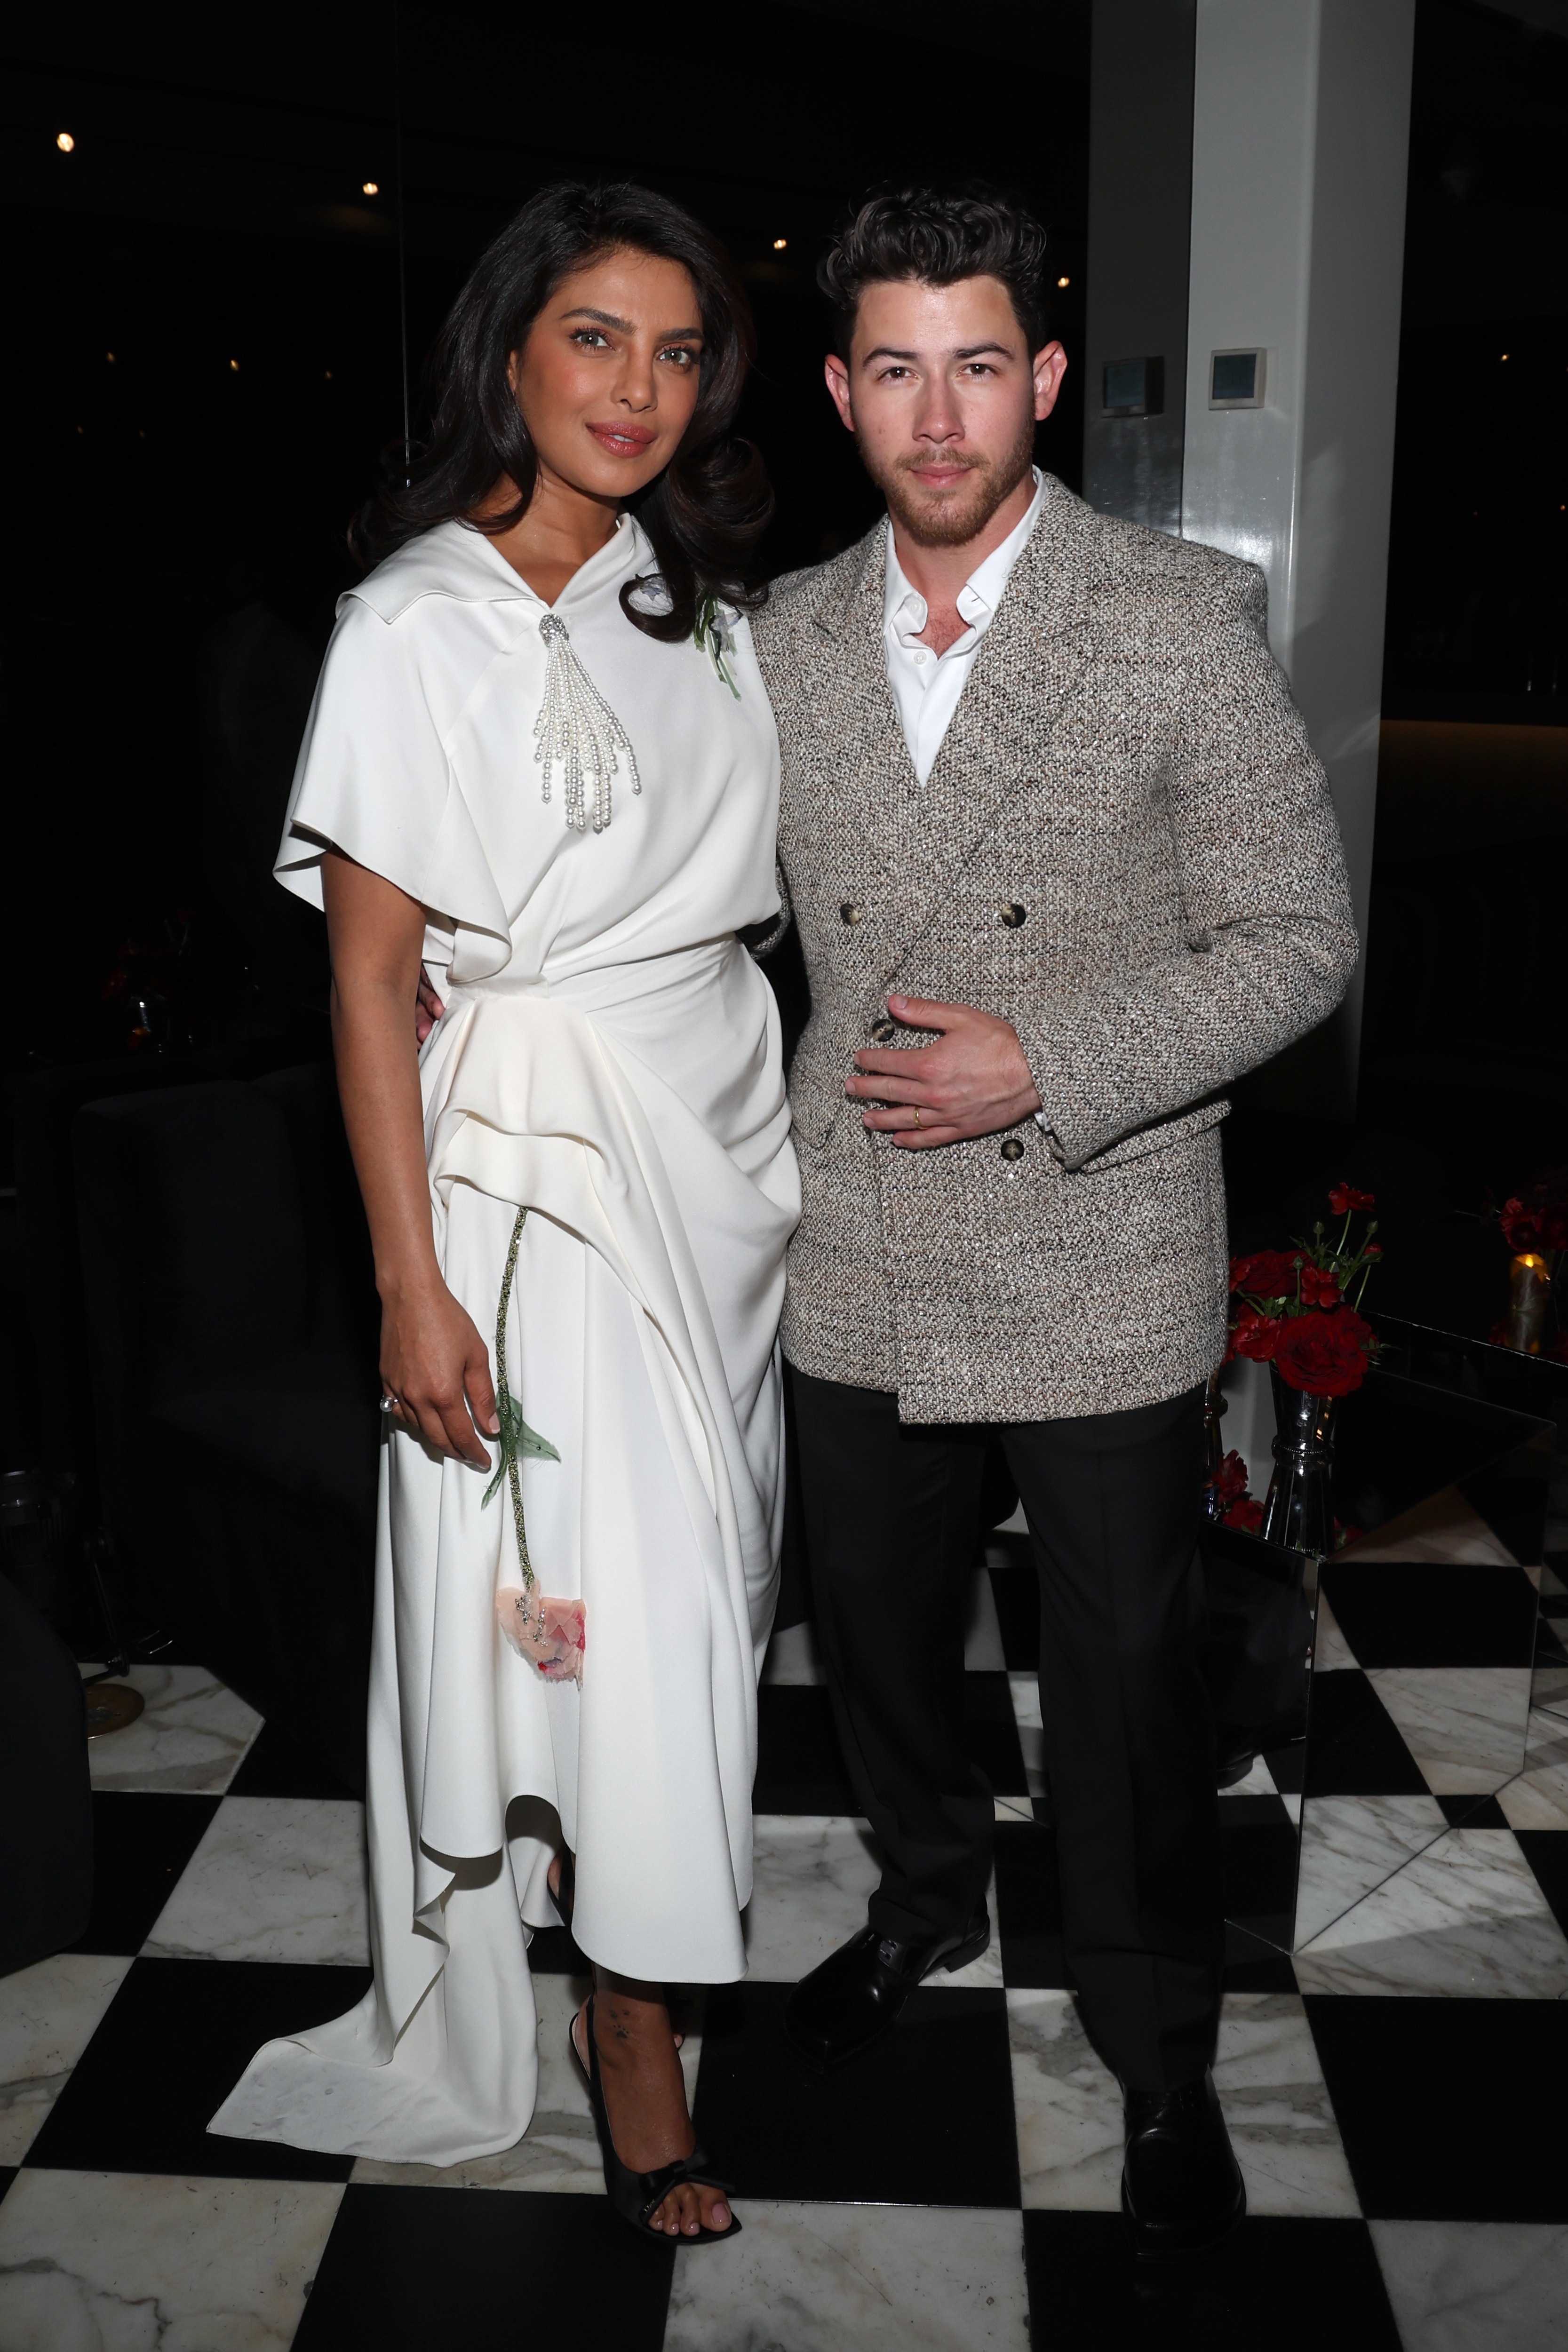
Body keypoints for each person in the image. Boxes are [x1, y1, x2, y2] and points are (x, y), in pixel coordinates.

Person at [748, 185, 1358, 2263]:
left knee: (1122, 1685)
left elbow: (1300, 940)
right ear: (842, 392)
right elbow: (709, 914)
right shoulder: (783, 638)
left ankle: (1154, 2027)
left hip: (1095, 1243)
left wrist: (1056, 1061)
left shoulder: (1172, 611)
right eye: (897, 368)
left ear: (1047, 380)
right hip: (861, 1248)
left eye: (980, 363)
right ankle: (925, 1903)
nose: (942, 416)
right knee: (888, 1653)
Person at [209, 181, 800, 2246]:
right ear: (512, 353)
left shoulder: (701, 600)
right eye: (595, 338)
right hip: (520, 1188)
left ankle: (633, 1915)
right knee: (580, 1603)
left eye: (678, 346)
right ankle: (626, 2022)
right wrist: (409, 1283)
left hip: (714, 1163)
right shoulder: (417, 620)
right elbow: (370, 976)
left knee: (701, 1598)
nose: (640, 386)